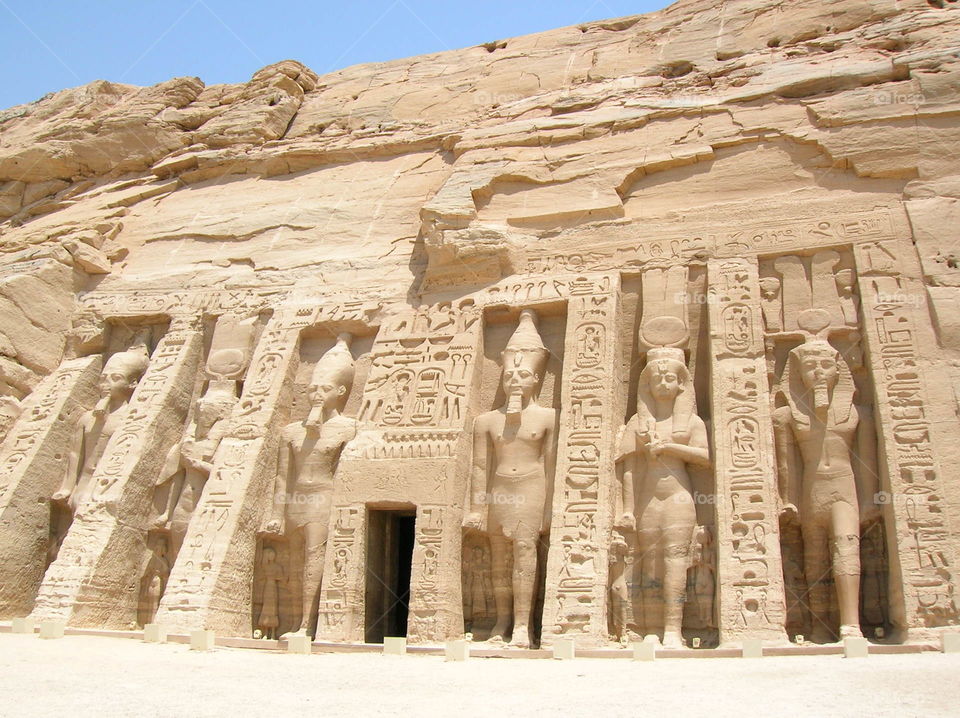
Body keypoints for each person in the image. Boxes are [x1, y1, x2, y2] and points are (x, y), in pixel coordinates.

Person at [463, 309, 556, 648]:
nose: (515, 380)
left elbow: (551, 463)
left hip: (532, 487)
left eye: (524, 375)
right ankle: (501, 623)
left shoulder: (548, 417)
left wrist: (549, 510)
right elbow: (479, 468)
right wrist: (475, 508)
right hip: (499, 489)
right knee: (499, 559)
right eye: (509, 376)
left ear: (536, 379)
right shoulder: (486, 421)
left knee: (524, 551)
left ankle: (522, 626)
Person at [264, 334, 357, 639]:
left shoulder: (347, 428)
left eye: (325, 388)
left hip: (323, 499)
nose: (317, 394)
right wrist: (277, 514)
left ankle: (308, 624)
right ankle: (295, 623)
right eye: (313, 388)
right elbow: (282, 477)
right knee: (294, 564)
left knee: (314, 561)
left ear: (341, 391)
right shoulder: (291, 432)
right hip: (296, 502)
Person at [617, 345, 710, 649]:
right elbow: (628, 470)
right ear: (646, 385)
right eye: (657, 379)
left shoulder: (692, 423)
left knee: (675, 561)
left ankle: (673, 629)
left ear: (682, 384)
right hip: (647, 500)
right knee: (649, 563)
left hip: (678, 498)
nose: (663, 384)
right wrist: (627, 509)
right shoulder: (637, 423)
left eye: (670, 378)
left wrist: (668, 447)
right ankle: (651, 628)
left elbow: (704, 457)